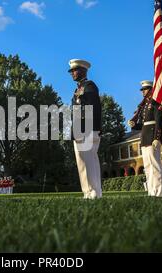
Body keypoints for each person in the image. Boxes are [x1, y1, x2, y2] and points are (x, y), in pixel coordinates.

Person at [69, 59, 102, 200]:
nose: (72, 73)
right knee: (82, 163)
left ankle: (94, 193)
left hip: (87, 129)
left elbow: (92, 108)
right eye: (71, 71)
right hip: (80, 129)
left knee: (89, 162)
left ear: (83, 70)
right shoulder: (78, 89)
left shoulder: (89, 86)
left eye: (74, 70)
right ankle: (88, 193)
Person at [128, 80, 162, 197]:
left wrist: (157, 137)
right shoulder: (144, 105)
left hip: (152, 137)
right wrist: (134, 125)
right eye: (142, 90)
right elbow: (144, 124)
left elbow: (159, 121)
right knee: (148, 167)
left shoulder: (156, 103)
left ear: (151, 90)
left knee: (155, 165)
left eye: (145, 89)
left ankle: (159, 192)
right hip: (145, 137)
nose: (143, 92)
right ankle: (151, 191)